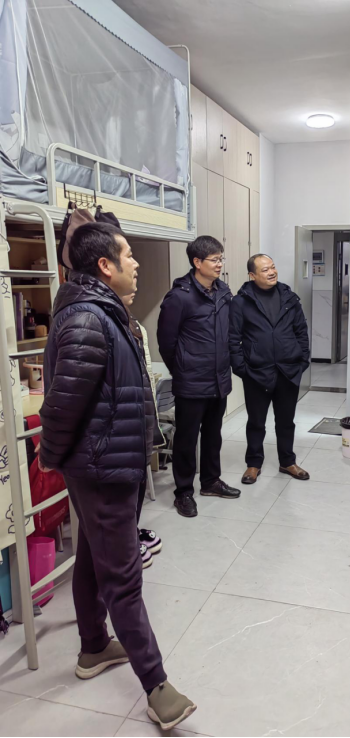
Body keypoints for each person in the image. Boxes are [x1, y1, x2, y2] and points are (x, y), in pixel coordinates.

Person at [39, 222, 196, 731]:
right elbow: (62, 405)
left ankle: (93, 648)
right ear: (104, 266)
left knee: (91, 556)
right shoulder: (89, 318)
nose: (136, 262)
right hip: (102, 468)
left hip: (108, 462)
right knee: (124, 578)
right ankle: (157, 686)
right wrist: (51, 459)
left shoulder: (102, 312)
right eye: (128, 254)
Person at [157, 235, 240, 519]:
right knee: (186, 438)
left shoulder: (223, 292)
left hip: (219, 378)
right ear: (197, 262)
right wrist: (182, 368)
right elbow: (166, 342)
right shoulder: (179, 297)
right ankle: (183, 492)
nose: (219, 264)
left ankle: (210, 482)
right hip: (191, 381)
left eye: (221, 259)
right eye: (214, 260)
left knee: (213, 435)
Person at [229, 254, 310, 484]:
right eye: (265, 270)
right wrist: (242, 369)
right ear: (252, 275)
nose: (272, 272)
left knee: (286, 421)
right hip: (256, 373)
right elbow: (233, 338)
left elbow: (301, 332)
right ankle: (253, 464)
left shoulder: (289, 298)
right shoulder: (241, 302)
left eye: (273, 267)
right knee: (256, 422)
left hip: (288, 371)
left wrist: (302, 360)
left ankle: (287, 462)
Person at [122, 292, 163, 570]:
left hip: (139, 419)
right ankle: (124, 543)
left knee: (136, 484)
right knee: (120, 491)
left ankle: (131, 531)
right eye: (130, 272)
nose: (135, 278)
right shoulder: (96, 320)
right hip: (120, 426)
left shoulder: (133, 322)